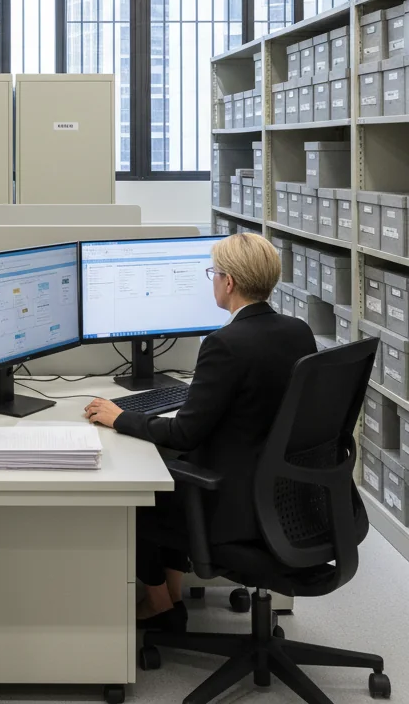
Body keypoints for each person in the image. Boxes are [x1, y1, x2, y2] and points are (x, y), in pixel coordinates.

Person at [83, 232, 317, 631]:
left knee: (134, 498)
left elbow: (185, 434)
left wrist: (118, 417)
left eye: (214, 273)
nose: (213, 280)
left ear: (229, 283)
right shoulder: (298, 331)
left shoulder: (224, 344)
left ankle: (160, 604)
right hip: (294, 501)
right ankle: (172, 593)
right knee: (174, 479)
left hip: (237, 507)